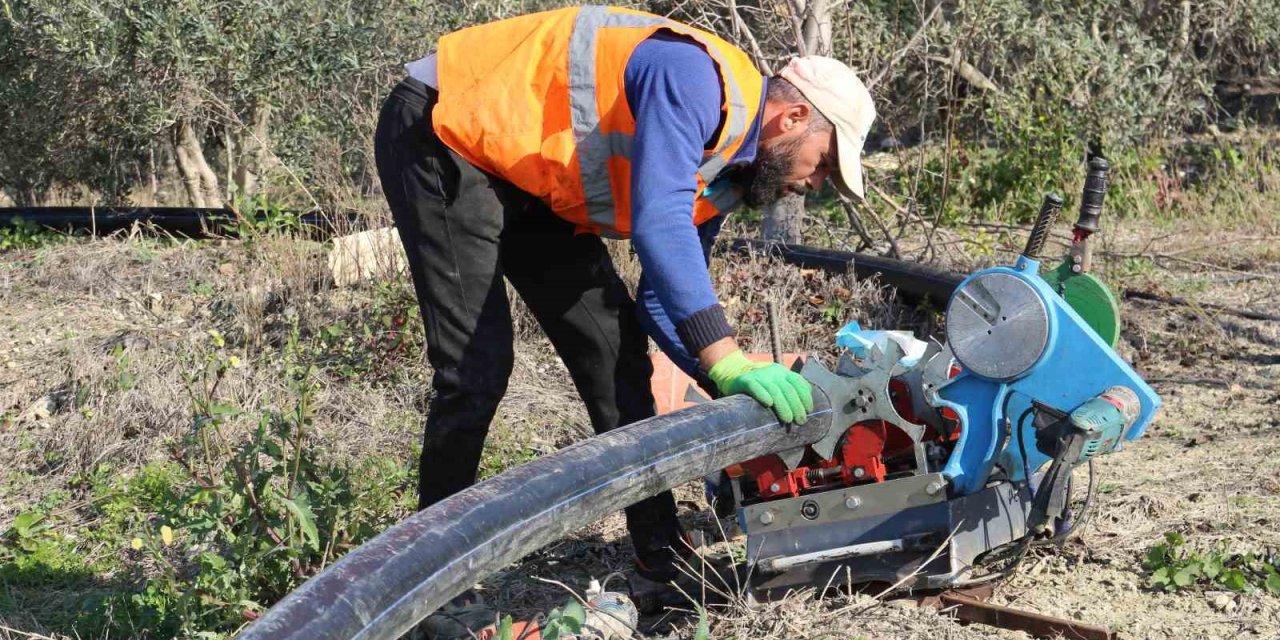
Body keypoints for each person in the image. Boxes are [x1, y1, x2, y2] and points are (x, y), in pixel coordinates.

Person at [374, 5, 876, 589]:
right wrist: (727, 358)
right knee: (476, 368)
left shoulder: (728, 173)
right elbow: (658, 221)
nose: (815, 184)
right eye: (823, 165)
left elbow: (661, 302)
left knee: (614, 345)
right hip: (446, 129)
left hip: (527, 175)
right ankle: (425, 583)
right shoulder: (692, 77)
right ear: (793, 117)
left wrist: (731, 382)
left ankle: (661, 557)